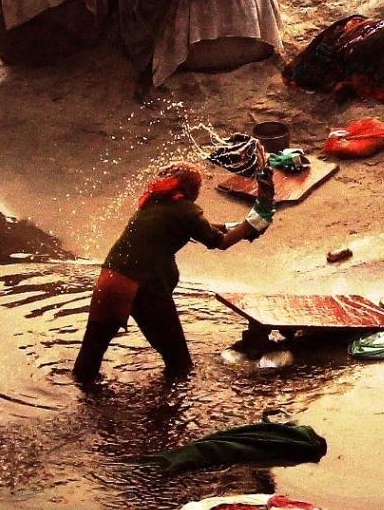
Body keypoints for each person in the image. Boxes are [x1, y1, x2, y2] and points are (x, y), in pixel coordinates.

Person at [72, 163, 270, 387]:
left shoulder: (152, 203)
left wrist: (239, 226)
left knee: (89, 359)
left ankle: (89, 405)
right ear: (190, 189)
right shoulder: (184, 209)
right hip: (143, 288)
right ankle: (168, 412)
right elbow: (220, 242)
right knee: (179, 364)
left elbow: (197, 227)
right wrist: (254, 223)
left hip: (110, 281)